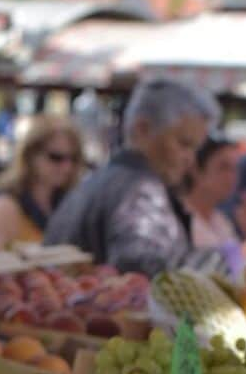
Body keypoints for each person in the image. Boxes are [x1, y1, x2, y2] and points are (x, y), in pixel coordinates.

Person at [44, 79, 235, 277]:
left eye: (195, 148)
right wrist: (228, 259)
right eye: (184, 143)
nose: (190, 159)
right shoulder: (141, 191)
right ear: (142, 129)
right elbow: (152, 278)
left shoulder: (96, 183)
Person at [0, 115, 84, 249]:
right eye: (56, 157)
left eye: (73, 158)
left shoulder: (69, 205)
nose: (67, 167)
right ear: (31, 155)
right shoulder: (4, 207)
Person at [184, 135, 246, 249]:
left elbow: (238, 264)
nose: (232, 177)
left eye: (235, 169)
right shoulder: (180, 221)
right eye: (223, 167)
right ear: (196, 170)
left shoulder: (222, 222)